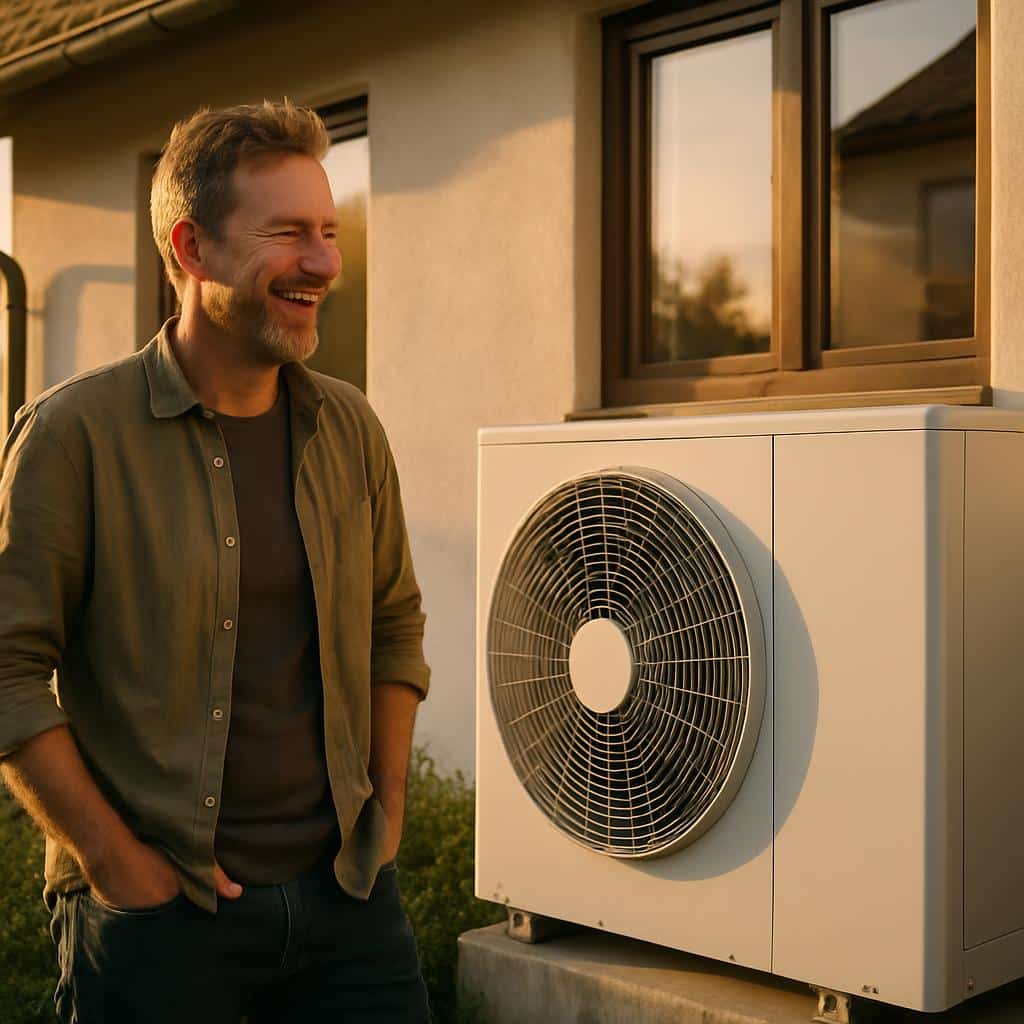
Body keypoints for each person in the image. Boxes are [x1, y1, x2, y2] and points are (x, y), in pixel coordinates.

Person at [0, 100, 432, 1023]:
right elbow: (5, 668)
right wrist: (114, 864)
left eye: (328, 231)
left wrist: (383, 818)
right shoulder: (72, 437)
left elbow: (395, 622)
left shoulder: (348, 426)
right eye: (287, 233)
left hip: (351, 906)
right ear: (192, 251)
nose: (323, 262)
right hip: (160, 920)